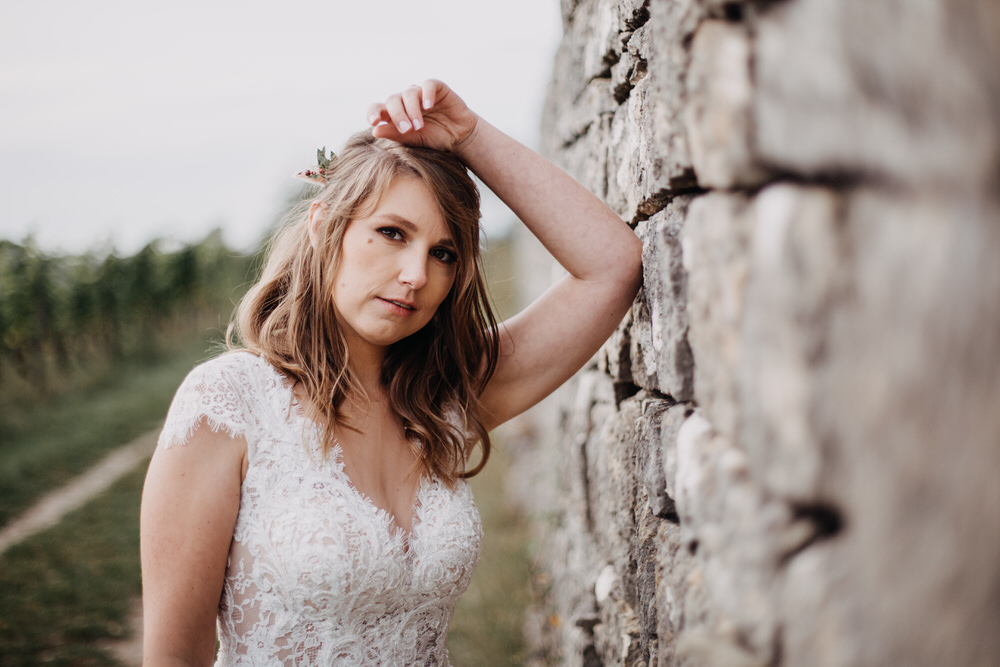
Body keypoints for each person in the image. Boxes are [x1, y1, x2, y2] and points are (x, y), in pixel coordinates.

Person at [140, 79, 642, 666]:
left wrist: (471, 135)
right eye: (392, 233)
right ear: (326, 226)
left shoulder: (446, 396)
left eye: (443, 252)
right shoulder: (228, 401)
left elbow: (613, 266)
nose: (415, 274)